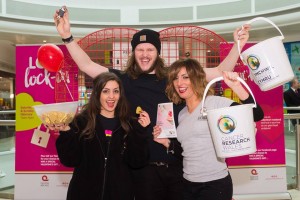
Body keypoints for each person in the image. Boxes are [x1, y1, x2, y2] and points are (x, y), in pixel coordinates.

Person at [53, 6, 251, 200]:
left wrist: (238, 45)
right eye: (140, 49)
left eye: (150, 49)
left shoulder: (175, 79)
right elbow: (87, 65)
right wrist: (67, 37)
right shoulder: (123, 80)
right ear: (133, 52)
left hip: (179, 167)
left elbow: (219, 72)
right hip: (143, 171)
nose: (145, 54)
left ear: (158, 53)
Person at [153, 58, 264, 200]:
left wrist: (236, 87)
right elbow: (187, 151)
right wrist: (166, 142)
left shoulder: (213, 103)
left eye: (185, 77)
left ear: (197, 78)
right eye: (175, 78)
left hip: (214, 184)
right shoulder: (182, 114)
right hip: (187, 183)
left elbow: (257, 114)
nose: (179, 83)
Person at [55, 72, 151, 200]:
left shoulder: (130, 124)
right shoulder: (81, 122)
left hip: (119, 194)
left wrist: (140, 132)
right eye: (106, 91)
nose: (111, 96)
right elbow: (70, 160)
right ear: (97, 94)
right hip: (83, 193)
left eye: (116, 91)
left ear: (120, 95)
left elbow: (137, 162)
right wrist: (66, 132)